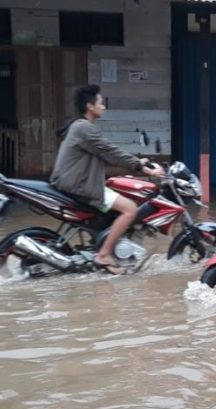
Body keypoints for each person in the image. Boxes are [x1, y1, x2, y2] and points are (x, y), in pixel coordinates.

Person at [50, 84, 165, 275]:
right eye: (101, 103)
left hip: (76, 182)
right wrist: (141, 167)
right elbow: (110, 151)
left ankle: (106, 244)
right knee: (130, 209)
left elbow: (105, 155)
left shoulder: (80, 127)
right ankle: (103, 254)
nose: (104, 107)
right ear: (90, 106)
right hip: (79, 185)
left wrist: (137, 161)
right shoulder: (84, 128)